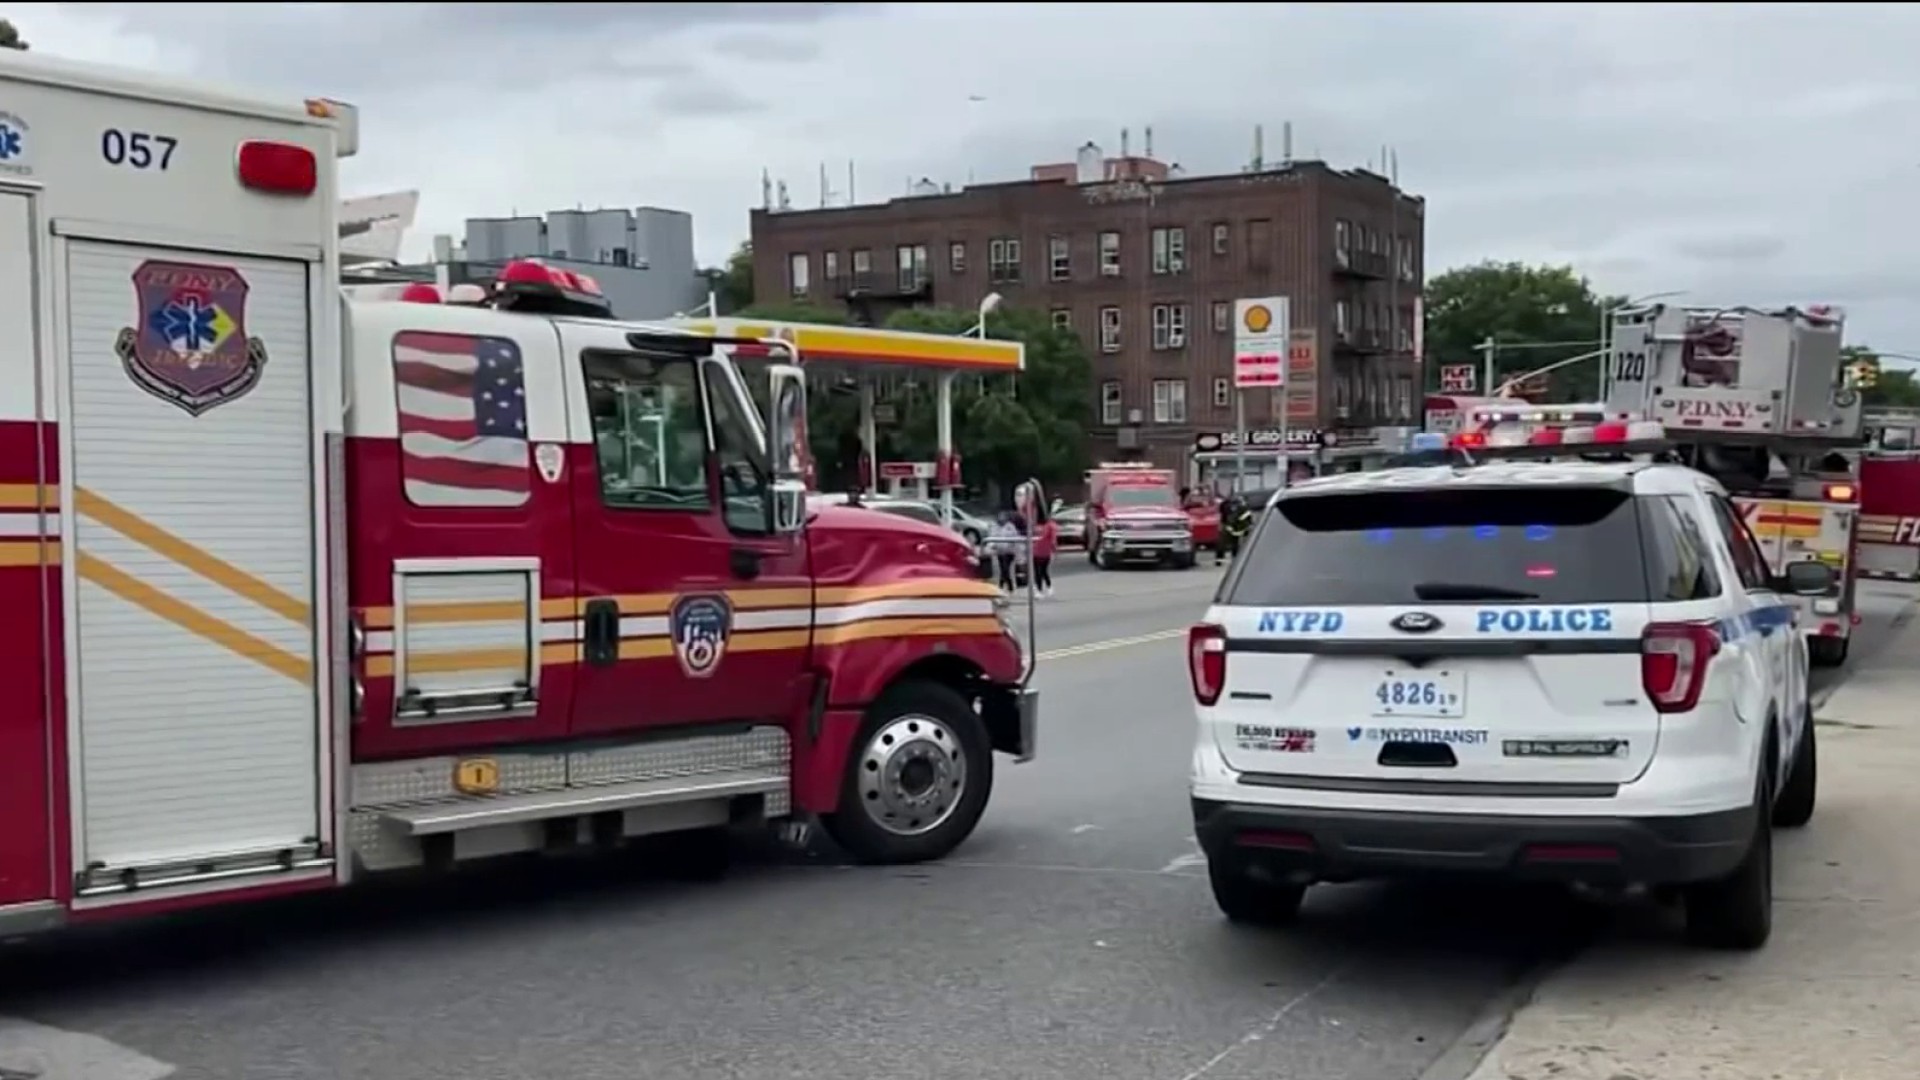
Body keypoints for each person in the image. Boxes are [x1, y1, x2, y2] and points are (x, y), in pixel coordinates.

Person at [1217, 494, 1253, 566]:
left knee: (1224, 543)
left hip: (1231, 527)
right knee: (1233, 543)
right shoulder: (1243, 507)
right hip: (1236, 527)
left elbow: (1223, 516)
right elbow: (1248, 518)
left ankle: (1220, 560)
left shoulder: (1226, 505)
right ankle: (1233, 558)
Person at [990, 513, 1020, 592]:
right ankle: (1008, 587)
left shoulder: (1010, 527)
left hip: (1009, 552)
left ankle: (1002, 586)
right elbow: (992, 537)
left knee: (1005, 568)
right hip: (1000, 552)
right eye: (1000, 517)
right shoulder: (995, 527)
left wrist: (1016, 550)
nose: (1001, 519)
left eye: (1003, 517)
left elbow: (1015, 538)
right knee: (1003, 569)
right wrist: (993, 545)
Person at [1032, 508, 1057, 597]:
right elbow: (1053, 539)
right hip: (1039, 551)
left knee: (1041, 571)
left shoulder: (1047, 526)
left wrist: (1053, 549)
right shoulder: (1050, 525)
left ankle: (1042, 589)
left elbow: (1053, 539)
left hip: (1041, 551)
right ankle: (1042, 589)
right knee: (1041, 571)